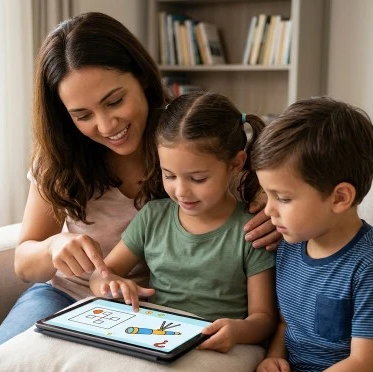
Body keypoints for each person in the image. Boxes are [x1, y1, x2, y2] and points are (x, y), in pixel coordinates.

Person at [0, 12, 280, 356]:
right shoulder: (61, 159)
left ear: (142, 79)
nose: (106, 125)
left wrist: (272, 211)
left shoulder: (185, 139)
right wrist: (53, 247)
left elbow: (270, 198)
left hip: (148, 309)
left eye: (114, 101)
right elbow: (24, 262)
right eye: (83, 115)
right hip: (65, 295)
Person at [89, 91, 277, 352]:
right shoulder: (153, 217)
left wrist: (237, 330)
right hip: (156, 339)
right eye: (169, 176)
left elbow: (264, 319)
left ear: (236, 163)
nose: (181, 191)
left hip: (220, 345)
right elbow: (100, 275)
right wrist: (111, 284)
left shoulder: (252, 230)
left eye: (198, 179)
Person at [250, 97, 373, 372]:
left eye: (283, 198)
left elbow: (364, 365)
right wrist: (274, 357)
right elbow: (286, 322)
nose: (269, 210)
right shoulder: (291, 245)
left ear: (340, 198)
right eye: (268, 194)